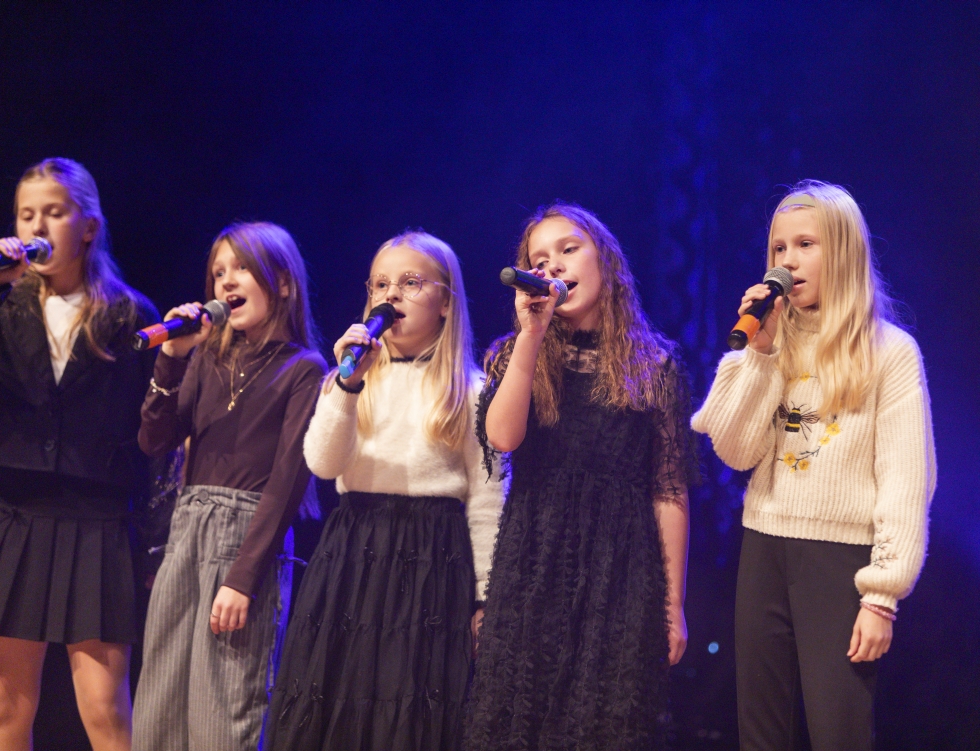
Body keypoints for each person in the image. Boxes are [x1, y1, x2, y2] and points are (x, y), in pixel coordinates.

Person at [692, 180, 936, 750]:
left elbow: (906, 481)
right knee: (760, 731)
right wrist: (758, 355)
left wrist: (881, 596)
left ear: (843, 252)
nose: (789, 260)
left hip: (841, 560)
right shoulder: (769, 340)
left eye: (805, 244)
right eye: (779, 248)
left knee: (837, 731)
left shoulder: (890, 352)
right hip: (765, 546)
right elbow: (734, 450)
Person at [463, 204, 694, 751]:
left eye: (569, 249)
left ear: (604, 260)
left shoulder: (654, 367)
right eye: (540, 259)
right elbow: (502, 437)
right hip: (533, 564)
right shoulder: (515, 353)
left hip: (621, 572)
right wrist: (531, 334)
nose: (555, 266)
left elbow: (668, 490)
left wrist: (673, 606)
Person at [266, 231, 505, 751]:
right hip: (354, 551)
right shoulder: (350, 381)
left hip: (430, 560)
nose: (391, 294)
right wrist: (347, 386)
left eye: (410, 282)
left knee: (407, 707)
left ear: (446, 302)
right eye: (380, 284)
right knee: (336, 700)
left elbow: (487, 502)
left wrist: (485, 597)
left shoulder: (471, 392)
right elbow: (322, 463)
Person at [0, 158, 158, 751]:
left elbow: (155, 431)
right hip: (15, 518)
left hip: (96, 523)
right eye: (26, 214)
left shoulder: (130, 315)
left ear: (88, 227)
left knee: (104, 710)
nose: (36, 227)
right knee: (4, 706)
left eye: (53, 213)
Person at [131, 221, 326, 751]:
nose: (226, 281)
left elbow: (287, 481)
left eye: (241, 268)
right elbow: (154, 440)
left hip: (246, 542)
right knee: (160, 706)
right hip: (186, 536)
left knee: (223, 711)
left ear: (281, 283)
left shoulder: (303, 369)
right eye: (218, 273)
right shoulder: (206, 358)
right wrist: (171, 358)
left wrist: (242, 578)